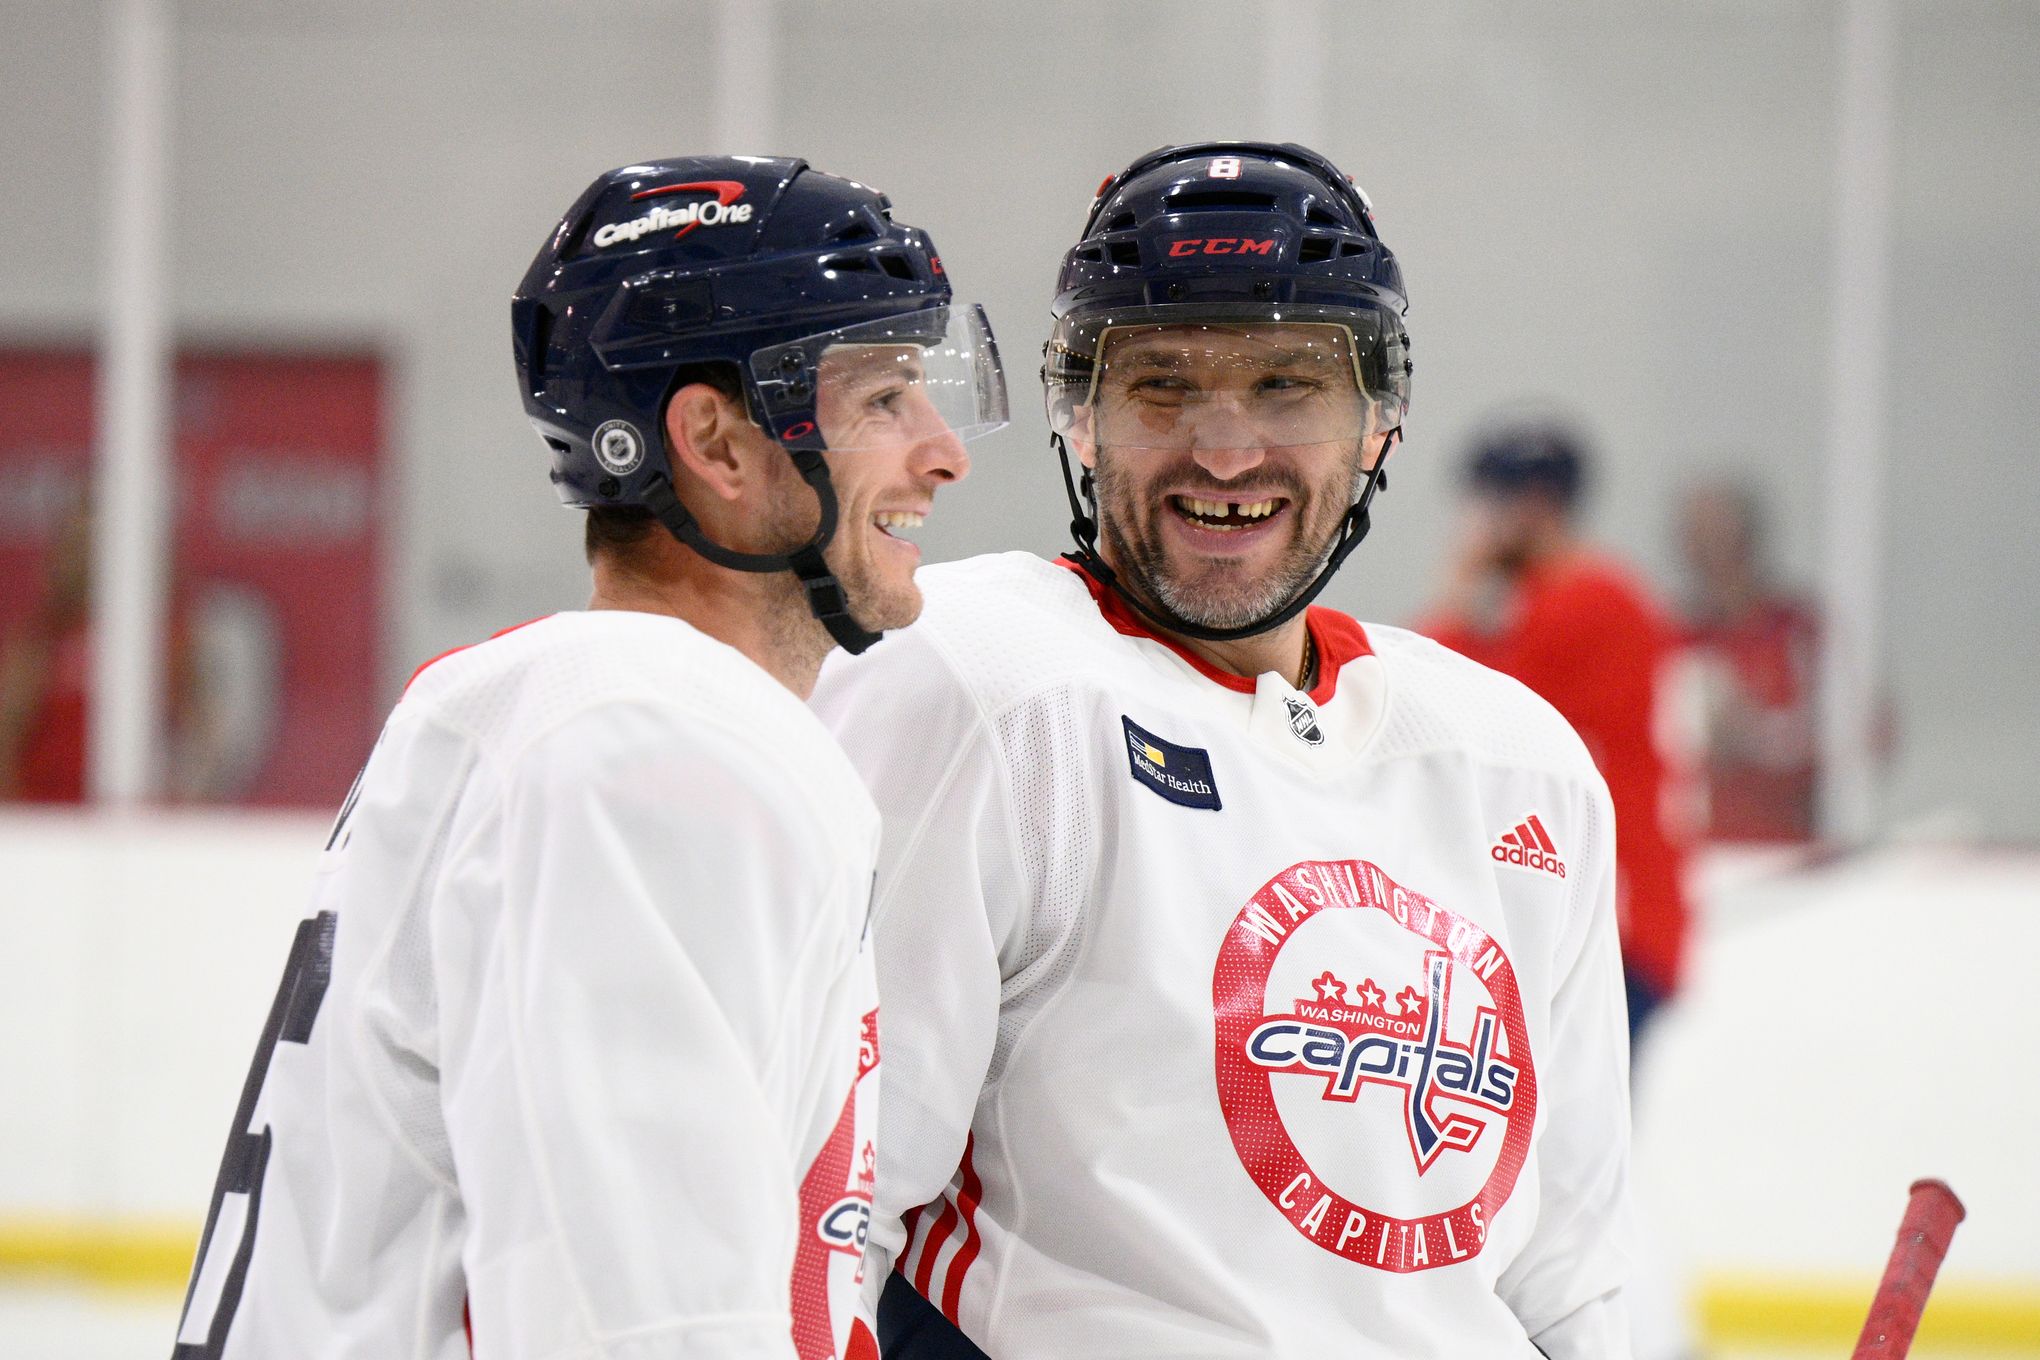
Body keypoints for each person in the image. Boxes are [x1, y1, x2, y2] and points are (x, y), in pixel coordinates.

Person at [169, 156, 1005, 1360]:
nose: (943, 452)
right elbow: (640, 1330)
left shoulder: (555, 711)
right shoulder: (648, 745)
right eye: (879, 400)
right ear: (715, 441)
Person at [814, 143, 1633, 1358]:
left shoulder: (1520, 765)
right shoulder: (982, 684)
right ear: (1079, 417)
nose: (1228, 449)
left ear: (1378, 427)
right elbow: (835, 1204)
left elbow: (1569, 1279)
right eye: (1163, 389)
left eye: (1289, 388)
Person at [1418, 421, 1691, 1049]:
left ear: (1532, 506)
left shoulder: (1584, 603)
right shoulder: (1568, 598)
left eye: (1484, 504)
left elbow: (1446, 709)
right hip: (1601, 913)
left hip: (1606, 920)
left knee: (1554, 1141)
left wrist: (1457, 601)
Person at [1674, 478, 1820, 842]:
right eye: (1696, 538)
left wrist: (1751, 732)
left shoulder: (1798, 631)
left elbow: (1861, 734)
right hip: (1705, 848)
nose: (1707, 552)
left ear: (1748, 540)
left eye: (1718, 535)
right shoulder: (1676, 635)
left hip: (1788, 849)